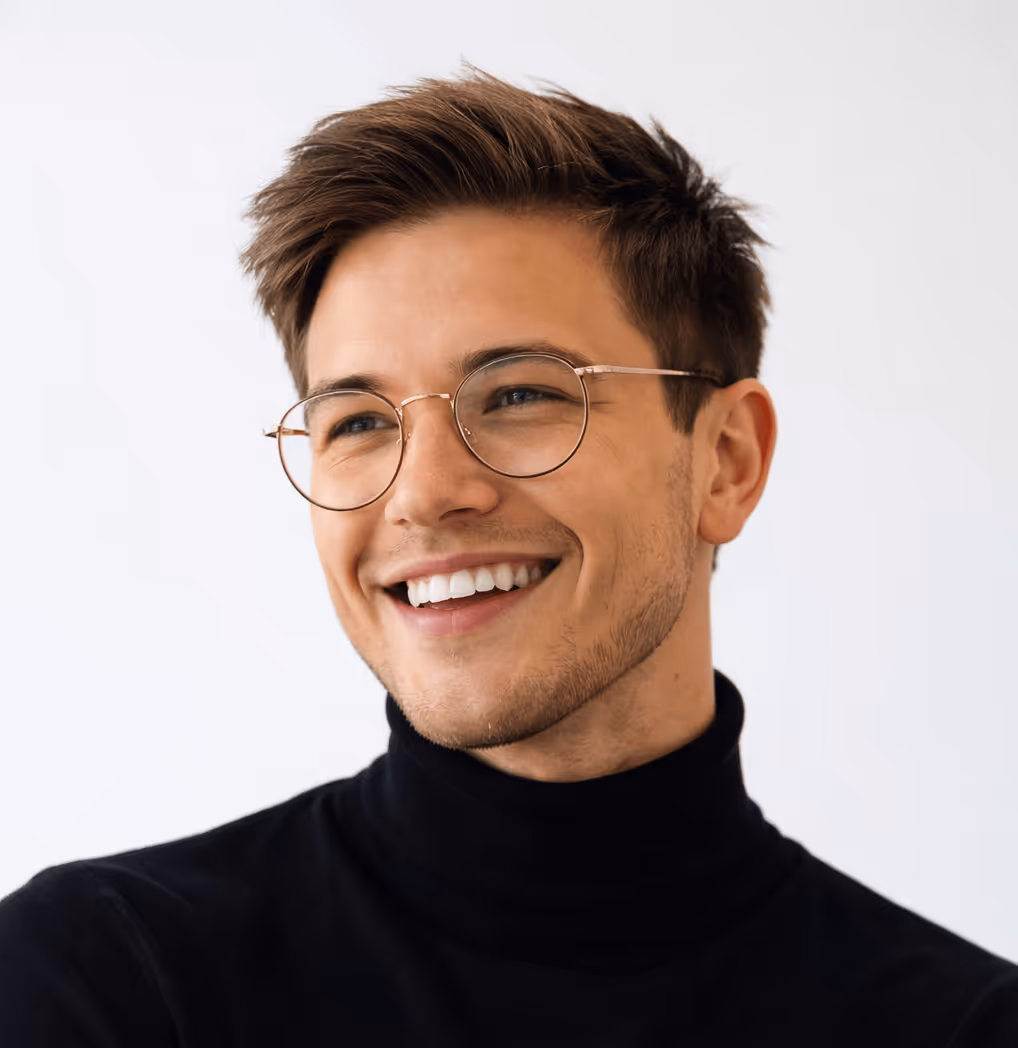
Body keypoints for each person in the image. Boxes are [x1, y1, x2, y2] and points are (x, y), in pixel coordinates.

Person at [1, 65, 1016, 1047]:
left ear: (725, 462)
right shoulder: (108, 980)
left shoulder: (957, 1026)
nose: (425, 491)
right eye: (356, 421)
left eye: (521, 393)